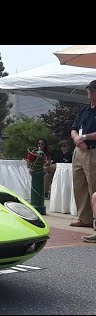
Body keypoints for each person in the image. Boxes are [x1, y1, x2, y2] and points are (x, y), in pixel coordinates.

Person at [69, 80, 96, 228]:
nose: (89, 92)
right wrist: (77, 139)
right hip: (79, 151)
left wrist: (85, 137)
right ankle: (84, 218)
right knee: (79, 185)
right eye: (89, 90)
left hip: (93, 151)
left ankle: (95, 219)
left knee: (94, 186)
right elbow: (73, 128)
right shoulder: (84, 110)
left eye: (92, 90)